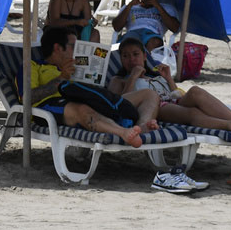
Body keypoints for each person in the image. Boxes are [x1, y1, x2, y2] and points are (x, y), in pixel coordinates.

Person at [28, 26, 160, 148]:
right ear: (57, 48)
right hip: (53, 107)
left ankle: (141, 127)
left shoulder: (74, 67)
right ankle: (124, 133)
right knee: (81, 108)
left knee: (150, 95)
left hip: (91, 101)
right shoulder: (34, 66)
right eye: (74, 46)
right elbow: (28, 97)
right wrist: (61, 78)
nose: (77, 50)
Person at [108, 36, 231, 135]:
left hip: (173, 101)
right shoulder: (118, 80)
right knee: (192, 113)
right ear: (121, 59)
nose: (131, 59)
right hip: (158, 108)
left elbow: (175, 95)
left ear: (145, 57)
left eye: (135, 54)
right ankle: (230, 125)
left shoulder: (154, 76)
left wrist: (168, 79)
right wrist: (132, 77)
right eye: (125, 56)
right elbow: (117, 104)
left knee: (195, 91)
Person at [112, 0, 179, 52]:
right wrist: (130, 5)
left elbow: (175, 28)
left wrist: (157, 6)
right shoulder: (130, 7)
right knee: (130, 42)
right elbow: (116, 27)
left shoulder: (165, 8)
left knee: (154, 42)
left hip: (152, 34)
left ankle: (147, 62)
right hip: (133, 32)